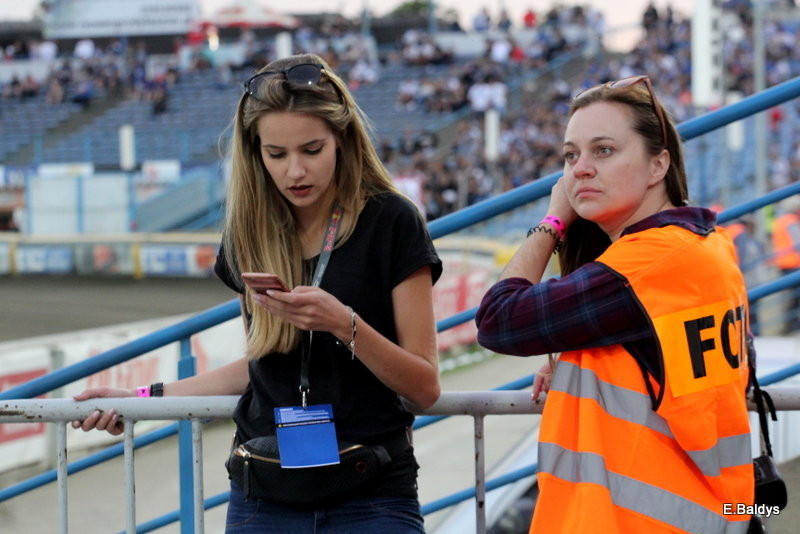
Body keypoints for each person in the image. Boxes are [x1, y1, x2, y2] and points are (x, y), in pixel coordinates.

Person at [71, 53, 442, 533]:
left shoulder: (392, 220)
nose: (295, 173)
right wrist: (142, 397)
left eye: (312, 150)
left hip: (372, 494)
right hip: (264, 497)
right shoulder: (248, 234)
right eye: (277, 154)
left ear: (343, 139)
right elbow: (263, 365)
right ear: (255, 152)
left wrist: (342, 323)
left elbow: (425, 387)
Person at [475, 76, 756, 533]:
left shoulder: (644, 265)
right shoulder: (706, 245)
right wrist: (580, 363)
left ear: (657, 165)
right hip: (721, 512)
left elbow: (497, 320)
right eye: (570, 155)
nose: (579, 169)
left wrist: (552, 221)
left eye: (603, 150)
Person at [771, 197, 800, 334]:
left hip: (783, 263)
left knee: (791, 297)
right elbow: (797, 243)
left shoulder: (779, 221)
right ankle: (790, 326)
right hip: (794, 264)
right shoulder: (791, 222)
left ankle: (789, 325)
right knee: (794, 298)